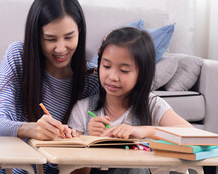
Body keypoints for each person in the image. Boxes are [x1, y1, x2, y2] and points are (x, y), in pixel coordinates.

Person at [0, 0, 99, 174]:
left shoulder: (91, 79)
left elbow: (86, 154)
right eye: (50, 39)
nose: (61, 48)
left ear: (80, 31)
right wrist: (30, 129)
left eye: (69, 37)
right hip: (1, 169)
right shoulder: (18, 56)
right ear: (37, 37)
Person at [67, 27, 192, 174]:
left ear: (142, 74)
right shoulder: (83, 109)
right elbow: (74, 171)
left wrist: (142, 131)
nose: (112, 76)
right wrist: (89, 141)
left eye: (124, 70)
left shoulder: (151, 105)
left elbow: (191, 134)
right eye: (106, 66)